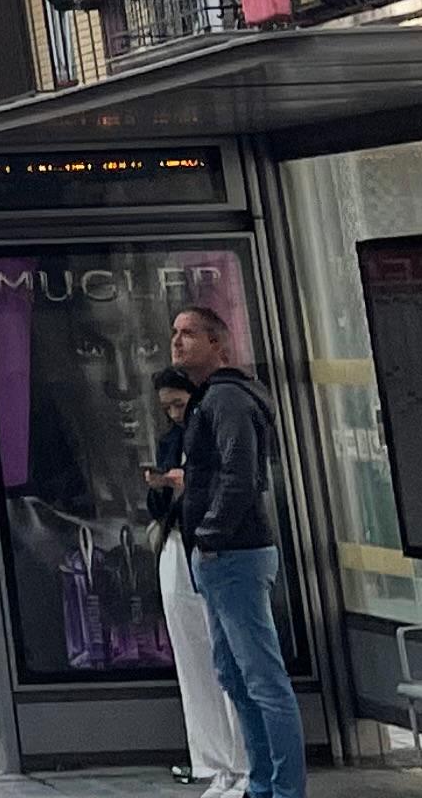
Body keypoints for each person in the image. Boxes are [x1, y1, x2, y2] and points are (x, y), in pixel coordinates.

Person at [171, 305, 301, 798]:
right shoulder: (212, 398)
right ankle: (263, 783)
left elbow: (240, 474)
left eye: (189, 334)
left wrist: (210, 534)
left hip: (234, 555)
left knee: (263, 679)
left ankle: (285, 788)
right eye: (175, 334)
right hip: (222, 556)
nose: (178, 342)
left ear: (218, 345)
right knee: (234, 675)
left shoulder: (226, 398)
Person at [147, 369, 247, 798]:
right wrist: (160, 486)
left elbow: (237, 481)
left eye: (178, 405)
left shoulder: (218, 426)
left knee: (228, 653)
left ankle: (245, 761)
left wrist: (191, 484)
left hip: (211, 543)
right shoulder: (172, 438)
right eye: (167, 408)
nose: (173, 414)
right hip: (175, 539)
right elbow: (155, 505)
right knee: (192, 656)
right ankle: (215, 762)